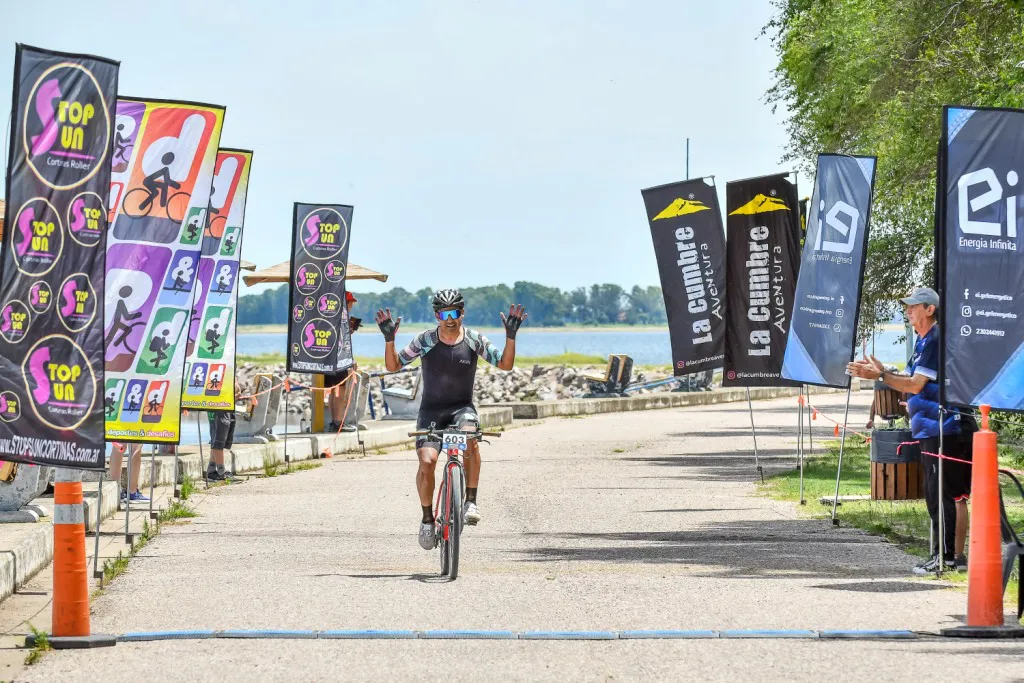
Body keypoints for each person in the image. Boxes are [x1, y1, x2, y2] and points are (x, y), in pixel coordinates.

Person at [375, 288, 527, 550]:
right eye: (444, 313)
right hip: (432, 412)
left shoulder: (474, 339)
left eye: (454, 312)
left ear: (462, 313)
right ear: (436, 315)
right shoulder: (425, 340)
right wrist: (389, 339)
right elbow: (393, 366)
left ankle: (470, 501)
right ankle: (426, 520)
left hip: (461, 409)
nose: (450, 319)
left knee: (471, 439)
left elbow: (504, 365)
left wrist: (510, 336)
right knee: (427, 462)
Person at [848, 287, 969, 574]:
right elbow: (913, 381)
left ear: (930, 309)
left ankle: (947, 558)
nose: (908, 311)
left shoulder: (935, 338)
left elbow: (915, 384)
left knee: (941, 494)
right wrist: (884, 370)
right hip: (930, 429)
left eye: (913, 306)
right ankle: (944, 556)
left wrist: (879, 375)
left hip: (944, 429)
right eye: (907, 307)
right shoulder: (923, 340)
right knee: (936, 493)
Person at [324, 292, 360, 433]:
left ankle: (335, 422)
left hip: (328, 360)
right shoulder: (342, 317)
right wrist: (351, 360)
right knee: (340, 391)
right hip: (339, 360)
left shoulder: (331, 316)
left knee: (334, 391)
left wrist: (348, 332)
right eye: (351, 302)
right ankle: (338, 422)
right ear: (347, 302)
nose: (352, 305)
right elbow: (341, 344)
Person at [207, 387, 242, 482]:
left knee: (219, 439)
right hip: (218, 404)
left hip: (225, 403)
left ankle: (211, 471)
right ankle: (221, 472)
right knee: (218, 439)